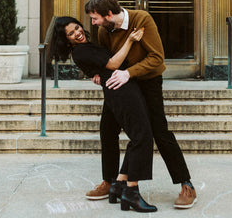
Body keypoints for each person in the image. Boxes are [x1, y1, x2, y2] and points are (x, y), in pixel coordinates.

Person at [84, 0, 197, 209]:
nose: (94, 23)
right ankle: (110, 182)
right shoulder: (104, 31)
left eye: (95, 17)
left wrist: (129, 73)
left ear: (108, 13)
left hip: (148, 82)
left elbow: (157, 58)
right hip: (121, 84)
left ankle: (186, 184)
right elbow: (108, 61)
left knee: (159, 132)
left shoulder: (141, 19)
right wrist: (97, 72)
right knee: (107, 129)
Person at [51, 16, 157, 213]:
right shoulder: (81, 51)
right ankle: (131, 191)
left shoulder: (87, 47)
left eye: (77, 27)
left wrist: (95, 72)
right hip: (121, 90)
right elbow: (113, 63)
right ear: (66, 40)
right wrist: (131, 40)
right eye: (71, 33)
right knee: (142, 136)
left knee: (120, 134)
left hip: (117, 89)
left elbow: (100, 65)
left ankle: (118, 185)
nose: (78, 33)